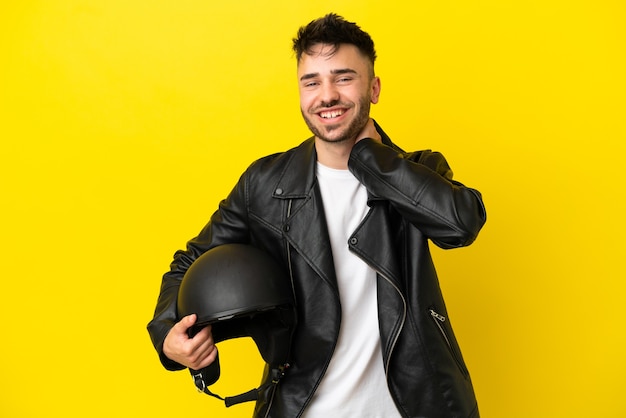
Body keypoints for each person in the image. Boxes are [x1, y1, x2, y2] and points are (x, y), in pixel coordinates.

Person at [148, 13, 486, 418]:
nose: (327, 95)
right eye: (312, 82)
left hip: (414, 407)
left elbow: (460, 224)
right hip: (303, 407)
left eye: (344, 78)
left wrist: (372, 161)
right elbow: (188, 263)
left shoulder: (418, 170)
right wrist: (169, 332)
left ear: (374, 88)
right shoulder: (265, 184)